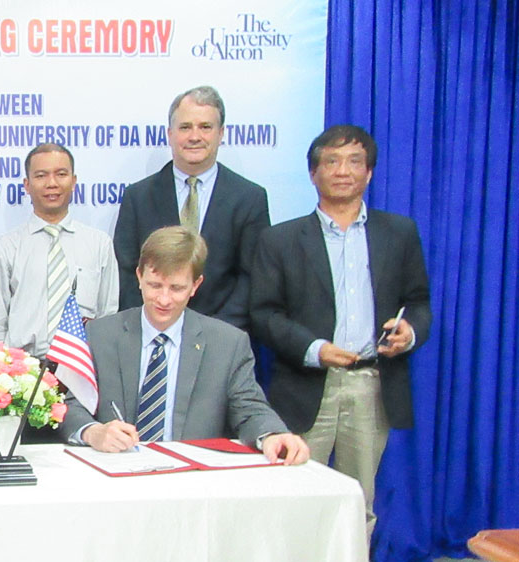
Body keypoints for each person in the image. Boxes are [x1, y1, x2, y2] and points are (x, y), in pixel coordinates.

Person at [251, 125, 431, 532]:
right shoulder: (279, 240)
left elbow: (419, 301)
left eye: (354, 161)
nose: (343, 171)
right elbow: (263, 314)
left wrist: (410, 332)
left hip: (371, 384)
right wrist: (314, 348)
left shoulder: (399, 233)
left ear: (369, 173)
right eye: (331, 161)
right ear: (313, 174)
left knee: (357, 503)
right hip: (304, 385)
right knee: (291, 502)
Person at [60, 226, 308, 464]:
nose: (164, 299)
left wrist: (273, 435)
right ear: (139, 277)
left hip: (195, 483)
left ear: (196, 285)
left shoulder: (228, 343)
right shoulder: (100, 334)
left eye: (176, 288)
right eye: (155, 285)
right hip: (116, 474)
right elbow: (71, 404)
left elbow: (250, 408)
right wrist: (94, 432)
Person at [113, 86, 269, 330]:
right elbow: (127, 273)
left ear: (221, 134)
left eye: (205, 127)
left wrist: (215, 333)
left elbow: (252, 279)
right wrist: (153, 326)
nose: (194, 136)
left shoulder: (249, 198)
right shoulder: (138, 197)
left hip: (222, 338)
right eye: (185, 127)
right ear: (170, 134)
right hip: (152, 336)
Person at [0, 143, 118, 359]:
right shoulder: (5, 247)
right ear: (26, 185)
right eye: (41, 176)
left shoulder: (100, 244)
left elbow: (108, 317)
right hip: (23, 375)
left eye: (61, 174)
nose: (51, 183)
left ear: (73, 182)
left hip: (83, 370)